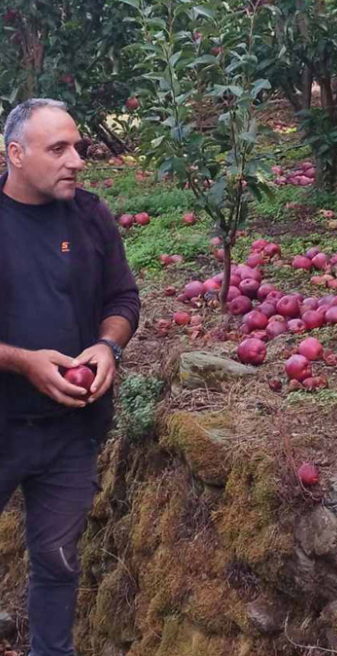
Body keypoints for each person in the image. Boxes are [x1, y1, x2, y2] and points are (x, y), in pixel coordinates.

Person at [0, 99, 140, 656]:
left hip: (69, 430)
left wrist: (108, 345)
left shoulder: (90, 215)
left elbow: (123, 298)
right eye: (58, 149)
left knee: (58, 563)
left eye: (77, 146)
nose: (77, 159)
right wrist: (22, 360)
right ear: (16, 154)